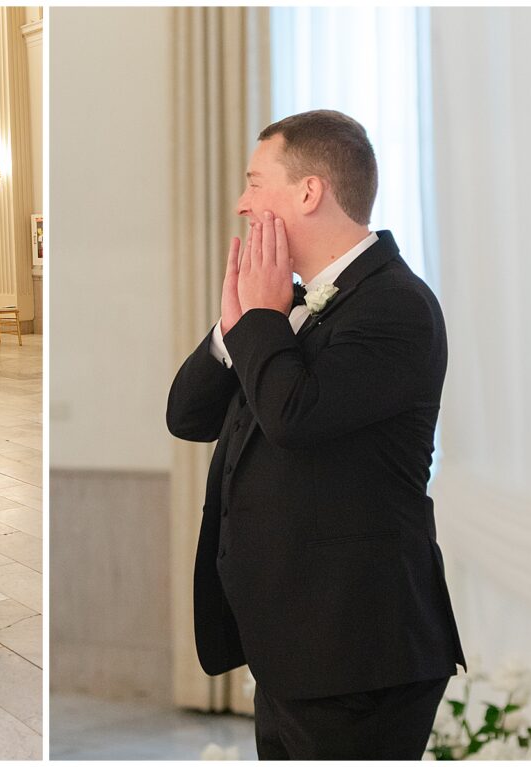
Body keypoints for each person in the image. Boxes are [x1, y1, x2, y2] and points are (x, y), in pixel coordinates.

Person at [166, 110, 465, 760]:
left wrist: (265, 318)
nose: (242, 203)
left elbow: (293, 416)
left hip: (360, 653)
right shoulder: (285, 309)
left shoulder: (396, 306)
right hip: (299, 645)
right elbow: (186, 417)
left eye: (254, 182)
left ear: (308, 192)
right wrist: (233, 327)